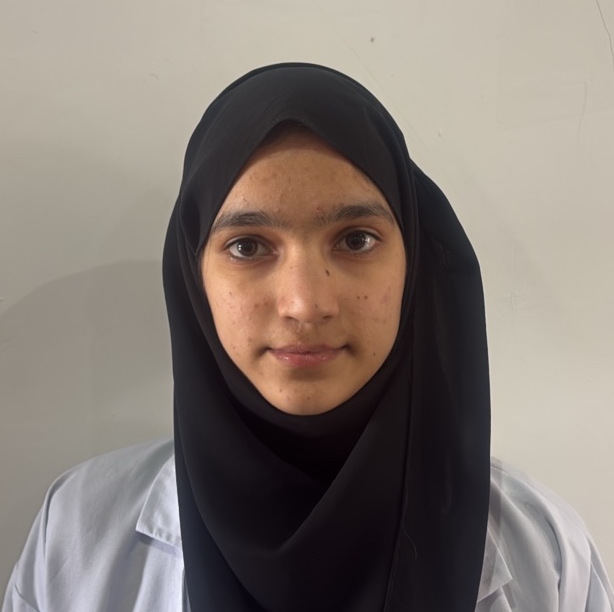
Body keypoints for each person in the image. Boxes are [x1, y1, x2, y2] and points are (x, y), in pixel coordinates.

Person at [3, 63, 613, 612]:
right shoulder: (76, 535)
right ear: (193, 277)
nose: (305, 304)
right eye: (248, 246)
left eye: (356, 240)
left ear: (414, 265)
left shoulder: (547, 553)